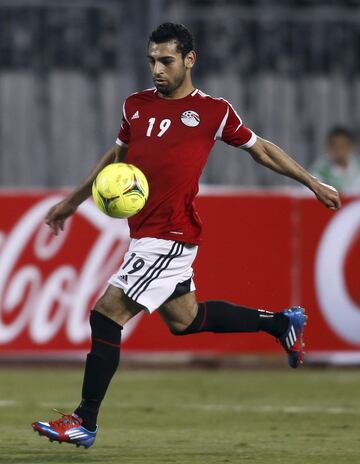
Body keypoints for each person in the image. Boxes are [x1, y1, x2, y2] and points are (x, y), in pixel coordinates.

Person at [31, 23, 341, 448]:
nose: (156, 70)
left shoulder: (213, 111)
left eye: (166, 61)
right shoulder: (134, 106)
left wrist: (312, 183)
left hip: (172, 233)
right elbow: (117, 159)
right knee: (186, 320)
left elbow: (262, 148)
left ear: (189, 60)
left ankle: (85, 419)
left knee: (106, 315)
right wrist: (72, 201)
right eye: (151, 61)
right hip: (143, 234)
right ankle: (279, 322)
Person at [311, 127, 360, 194]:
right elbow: (308, 191)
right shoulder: (321, 168)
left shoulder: (358, 164)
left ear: (351, 146)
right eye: (335, 146)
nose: (339, 150)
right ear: (329, 147)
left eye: (342, 146)